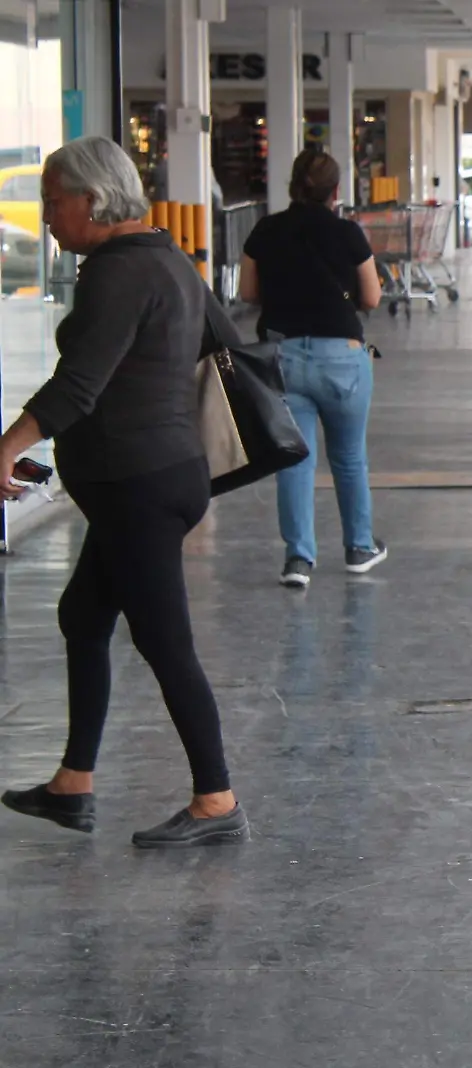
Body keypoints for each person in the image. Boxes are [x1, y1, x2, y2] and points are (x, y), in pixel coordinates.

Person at [0, 135, 247, 848]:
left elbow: (79, 384)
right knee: (83, 615)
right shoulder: (172, 259)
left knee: (166, 643)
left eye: (53, 202)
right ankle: (72, 784)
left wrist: (9, 446)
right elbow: (220, 342)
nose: (47, 217)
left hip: (137, 482)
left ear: (92, 199)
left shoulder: (115, 273)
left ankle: (217, 799)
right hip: (158, 473)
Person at [240, 148, 387, 588]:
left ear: (293, 186)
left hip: (282, 358)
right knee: (348, 457)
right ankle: (359, 547)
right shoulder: (348, 233)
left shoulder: (265, 231)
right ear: (336, 191)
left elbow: (248, 292)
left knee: (295, 461)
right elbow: (373, 298)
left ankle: (299, 560)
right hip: (341, 357)